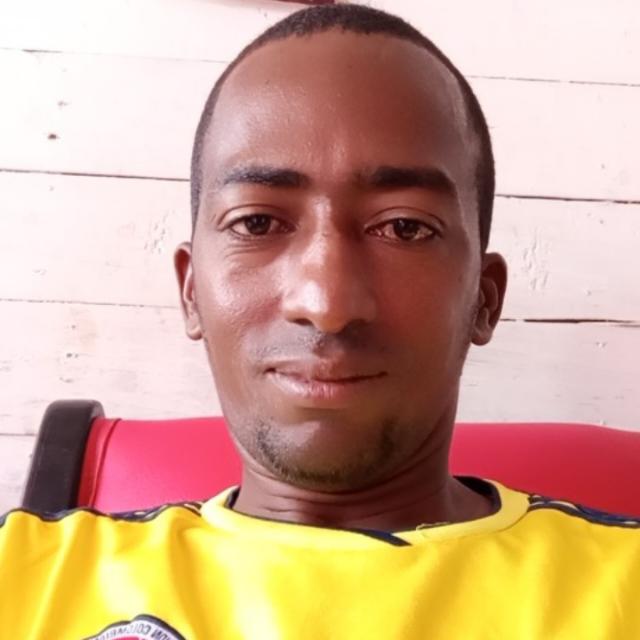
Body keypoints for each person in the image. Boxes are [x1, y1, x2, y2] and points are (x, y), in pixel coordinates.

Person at [1, 4, 639, 639]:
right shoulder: (27, 573)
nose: (326, 302)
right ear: (191, 293)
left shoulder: (622, 586)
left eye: (404, 227)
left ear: (484, 298)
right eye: (257, 222)